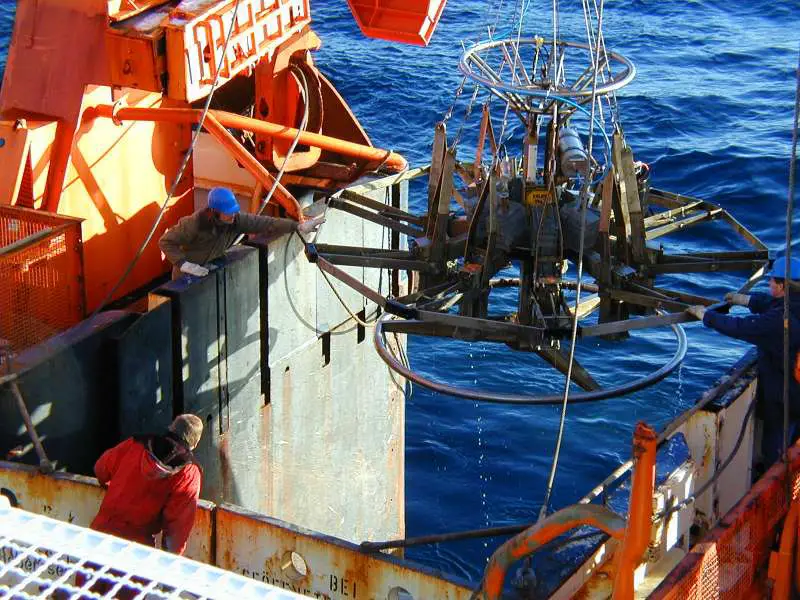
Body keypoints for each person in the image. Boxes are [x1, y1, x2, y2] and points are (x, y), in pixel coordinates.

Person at [686, 256, 800, 465]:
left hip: (787, 395)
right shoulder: (793, 305)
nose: (769, 284)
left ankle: (776, 472)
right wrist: (746, 300)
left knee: (777, 447)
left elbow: (742, 327)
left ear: (782, 285)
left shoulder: (779, 321)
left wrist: (706, 317)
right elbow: (771, 304)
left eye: (772, 281)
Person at [90, 414, 205, 555]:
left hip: (97, 537)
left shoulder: (137, 443)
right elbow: (177, 528)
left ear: (170, 428)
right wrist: (169, 559)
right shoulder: (188, 472)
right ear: (195, 444)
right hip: (135, 550)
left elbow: (101, 469)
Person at [159, 187, 325, 279]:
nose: (232, 215)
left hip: (208, 269)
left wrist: (298, 226)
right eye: (228, 212)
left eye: (233, 211)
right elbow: (165, 242)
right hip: (186, 276)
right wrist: (184, 265)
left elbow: (267, 223)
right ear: (215, 212)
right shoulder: (194, 224)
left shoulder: (236, 220)